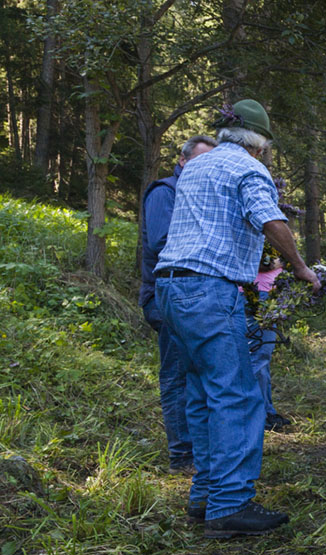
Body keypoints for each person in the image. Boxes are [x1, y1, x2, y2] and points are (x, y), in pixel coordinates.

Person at [154, 99, 320, 539]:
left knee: (201, 391)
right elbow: (270, 218)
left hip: (170, 287)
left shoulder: (196, 168)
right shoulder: (248, 169)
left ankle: (205, 494)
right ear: (260, 143)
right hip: (209, 290)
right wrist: (301, 268)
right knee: (238, 395)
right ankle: (229, 504)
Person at [138, 135, 216, 475]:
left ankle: (196, 450)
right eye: (198, 161)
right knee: (176, 375)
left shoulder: (196, 196)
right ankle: (181, 455)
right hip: (164, 295)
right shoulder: (165, 192)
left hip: (190, 294)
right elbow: (160, 239)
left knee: (194, 372)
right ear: (182, 160)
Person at [246, 256, 290, 431]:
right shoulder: (257, 231)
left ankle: (266, 411)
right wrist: (272, 264)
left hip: (269, 295)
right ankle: (256, 414)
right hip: (256, 295)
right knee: (258, 357)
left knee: (263, 357)